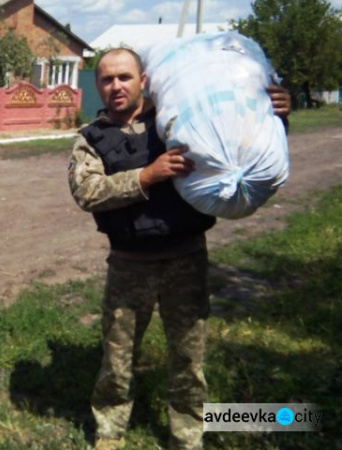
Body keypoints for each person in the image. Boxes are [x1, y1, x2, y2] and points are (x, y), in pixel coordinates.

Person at [68, 47, 290, 450]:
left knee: (189, 358)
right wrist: (147, 176)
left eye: (125, 77)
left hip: (186, 258)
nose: (116, 86)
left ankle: (187, 435)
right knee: (117, 361)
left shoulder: (179, 122)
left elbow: (236, 145)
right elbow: (87, 192)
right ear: (97, 85)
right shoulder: (90, 139)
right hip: (128, 265)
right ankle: (109, 431)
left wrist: (275, 114)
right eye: (107, 79)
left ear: (143, 81)